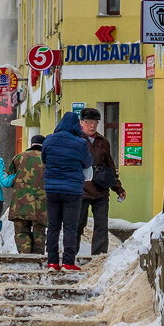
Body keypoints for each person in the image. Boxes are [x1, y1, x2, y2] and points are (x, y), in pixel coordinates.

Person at [41, 111, 93, 271]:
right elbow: (88, 162)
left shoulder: (49, 140)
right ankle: (68, 262)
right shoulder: (80, 143)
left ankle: (52, 262)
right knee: (70, 226)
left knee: (53, 226)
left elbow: (44, 159)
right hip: (72, 190)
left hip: (52, 189)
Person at [77, 107, 127, 255]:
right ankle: (71, 255)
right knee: (78, 224)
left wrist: (118, 188)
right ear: (81, 122)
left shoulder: (102, 141)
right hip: (82, 189)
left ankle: (99, 256)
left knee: (101, 225)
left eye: (95, 122)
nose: (92, 126)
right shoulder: (77, 140)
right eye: (89, 122)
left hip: (100, 189)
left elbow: (109, 165)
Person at [7, 135, 47, 255]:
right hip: (41, 202)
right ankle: (37, 257)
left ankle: (24, 255)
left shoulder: (19, 157)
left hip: (20, 201)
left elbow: (10, 175)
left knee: (21, 231)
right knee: (39, 231)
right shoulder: (47, 158)